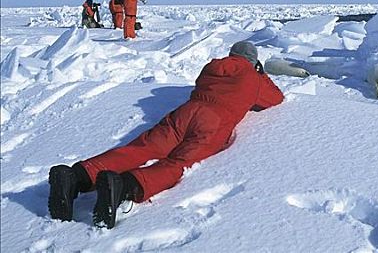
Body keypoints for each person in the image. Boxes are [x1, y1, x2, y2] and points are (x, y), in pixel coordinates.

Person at [48, 41, 284, 229]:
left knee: (142, 148)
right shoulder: (254, 78)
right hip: (214, 122)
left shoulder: (212, 67)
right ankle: (124, 186)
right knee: (178, 162)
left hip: (186, 112)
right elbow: (275, 98)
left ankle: (75, 176)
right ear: (252, 61)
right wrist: (260, 74)